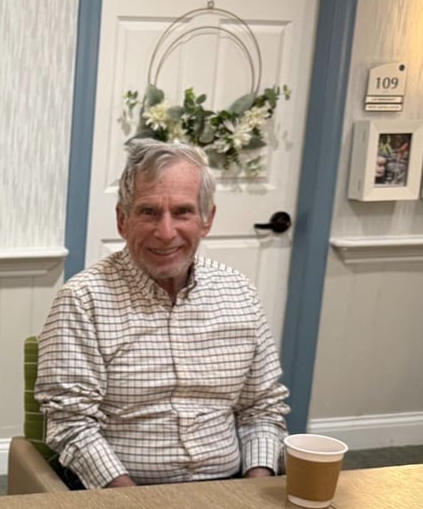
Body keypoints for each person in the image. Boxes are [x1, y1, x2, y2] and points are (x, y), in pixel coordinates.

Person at [35, 139, 289, 490]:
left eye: (183, 212)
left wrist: (255, 488)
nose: (166, 233)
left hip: (231, 487)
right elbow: (71, 424)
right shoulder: (83, 300)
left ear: (207, 219)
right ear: (122, 220)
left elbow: (261, 408)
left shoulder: (240, 293)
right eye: (148, 212)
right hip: (124, 491)